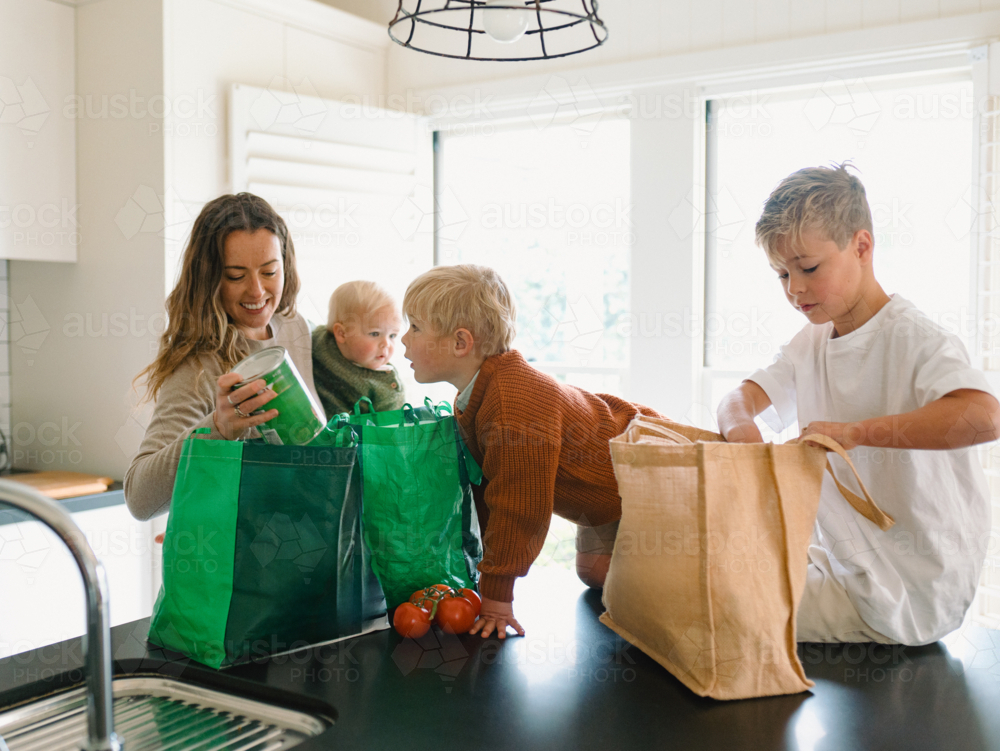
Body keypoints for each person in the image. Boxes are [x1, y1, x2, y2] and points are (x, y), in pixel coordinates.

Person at [717, 163, 1000, 646]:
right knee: (710, 561)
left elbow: (984, 416)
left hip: (908, 588)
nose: (794, 289)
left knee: (719, 600)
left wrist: (858, 432)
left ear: (862, 247)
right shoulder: (812, 341)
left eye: (808, 268)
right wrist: (743, 429)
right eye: (781, 274)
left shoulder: (918, 339)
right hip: (844, 558)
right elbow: (738, 399)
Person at [400, 264, 662, 639]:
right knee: (596, 576)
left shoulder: (512, 404)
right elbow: (489, 487)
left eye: (415, 327)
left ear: (461, 343)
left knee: (656, 595)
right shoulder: (472, 396)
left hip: (650, 468)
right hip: (601, 500)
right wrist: (484, 574)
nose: (404, 341)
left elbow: (519, 506)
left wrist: (496, 599)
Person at [124, 192, 323, 521]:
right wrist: (217, 428)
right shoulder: (199, 364)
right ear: (210, 279)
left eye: (270, 272)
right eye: (236, 276)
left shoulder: (293, 327)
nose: (257, 291)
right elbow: (139, 497)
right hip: (238, 565)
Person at [311, 280, 406, 417]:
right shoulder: (318, 342)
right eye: (375, 334)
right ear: (342, 333)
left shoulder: (386, 385)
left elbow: (393, 428)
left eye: (392, 335)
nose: (386, 344)